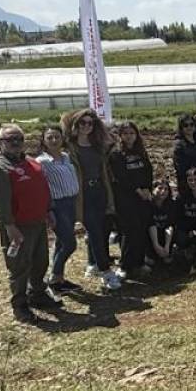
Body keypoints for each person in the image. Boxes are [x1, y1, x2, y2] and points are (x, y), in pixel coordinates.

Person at [0, 124, 55, 323]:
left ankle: (38, 294)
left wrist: (48, 211)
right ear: (1, 143)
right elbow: (0, 202)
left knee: (40, 261)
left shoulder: (32, 163)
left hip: (38, 221)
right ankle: (20, 304)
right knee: (19, 266)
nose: (15, 143)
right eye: (10, 140)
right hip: (18, 226)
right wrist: (10, 227)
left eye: (19, 139)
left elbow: (43, 189)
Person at [63, 109, 120, 290]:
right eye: (83, 123)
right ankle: (106, 272)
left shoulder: (97, 146)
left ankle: (94, 264)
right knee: (94, 231)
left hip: (100, 191)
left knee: (103, 230)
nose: (87, 126)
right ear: (76, 125)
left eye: (90, 123)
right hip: (83, 193)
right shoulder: (70, 148)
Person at [36, 124, 81, 294]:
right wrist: (48, 209)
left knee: (61, 242)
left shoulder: (66, 157)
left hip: (71, 203)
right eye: (50, 138)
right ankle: (54, 277)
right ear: (44, 141)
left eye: (57, 137)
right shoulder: (42, 162)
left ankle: (59, 280)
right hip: (57, 205)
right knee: (70, 244)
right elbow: (41, 187)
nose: (54, 140)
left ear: (62, 139)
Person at [110, 120, 154, 278]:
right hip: (126, 198)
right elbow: (121, 177)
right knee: (129, 231)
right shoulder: (116, 154)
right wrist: (137, 190)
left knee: (141, 229)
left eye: (132, 133)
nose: (129, 137)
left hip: (143, 197)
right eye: (126, 134)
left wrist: (148, 189)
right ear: (120, 136)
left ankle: (139, 262)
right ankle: (125, 265)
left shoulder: (140, 151)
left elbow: (148, 170)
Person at [176, 168, 196, 262]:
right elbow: (179, 217)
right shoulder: (181, 197)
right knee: (181, 237)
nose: (193, 182)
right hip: (187, 229)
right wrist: (190, 230)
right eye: (190, 180)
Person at [148, 179, 177, 265]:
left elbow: (170, 226)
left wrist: (167, 246)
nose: (163, 191)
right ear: (153, 190)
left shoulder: (171, 204)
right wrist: (156, 245)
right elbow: (150, 225)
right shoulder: (148, 204)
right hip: (151, 236)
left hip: (165, 235)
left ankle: (167, 253)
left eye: (166, 189)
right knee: (151, 262)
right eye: (160, 188)